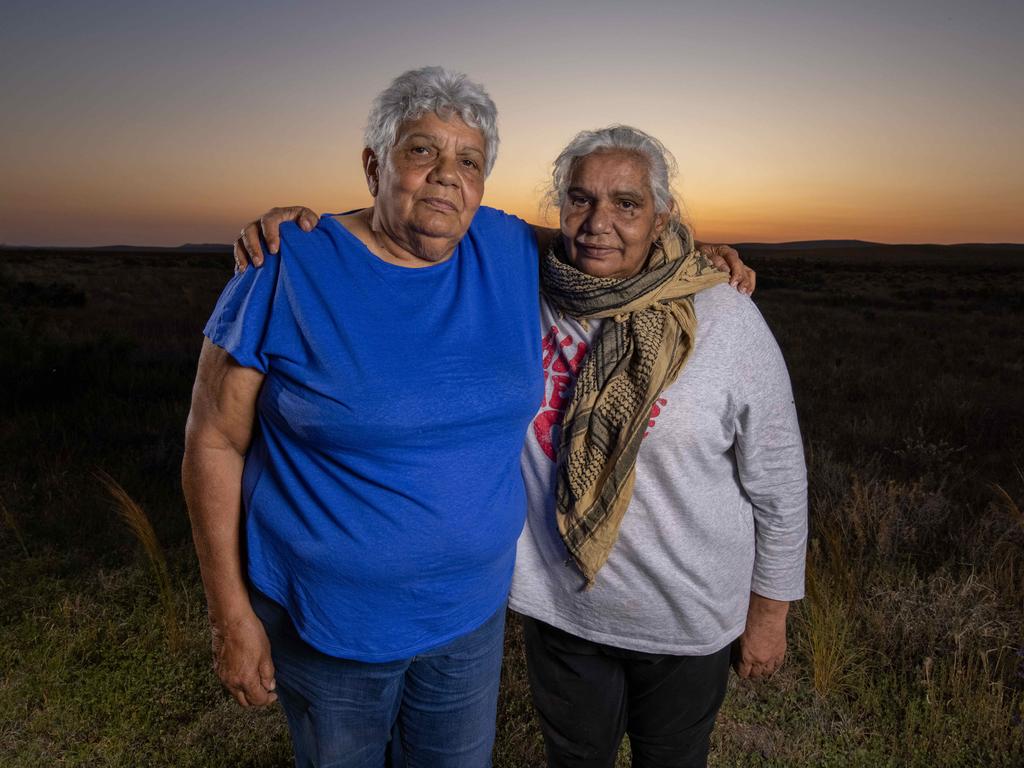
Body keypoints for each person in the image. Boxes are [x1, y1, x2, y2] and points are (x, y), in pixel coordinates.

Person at [184, 68, 751, 768]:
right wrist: (228, 614)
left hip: (468, 621)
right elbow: (212, 443)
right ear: (373, 165)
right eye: (422, 151)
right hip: (333, 624)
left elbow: (604, 242)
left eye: (470, 161)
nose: (448, 176)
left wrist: (692, 256)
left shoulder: (505, 249)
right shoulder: (284, 268)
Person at [510, 126, 807, 767]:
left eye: (626, 204)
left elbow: (779, 481)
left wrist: (770, 614)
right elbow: (423, 228)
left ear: (662, 216)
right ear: (559, 206)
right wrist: (308, 228)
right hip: (563, 610)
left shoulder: (724, 316)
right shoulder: (522, 294)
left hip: (684, 617)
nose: (598, 223)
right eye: (581, 199)